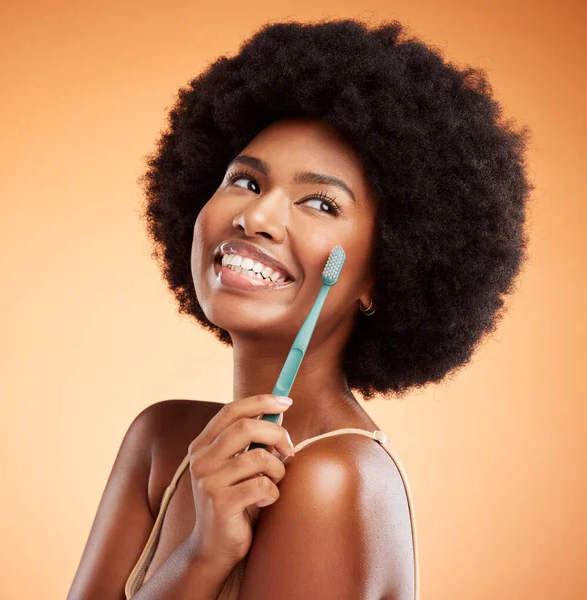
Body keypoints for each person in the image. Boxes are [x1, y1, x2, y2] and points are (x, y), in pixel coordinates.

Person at [67, 17, 533, 600]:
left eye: (320, 203)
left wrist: (204, 558)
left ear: (382, 272)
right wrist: (200, 555)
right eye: (247, 181)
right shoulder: (161, 439)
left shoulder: (330, 480)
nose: (257, 218)